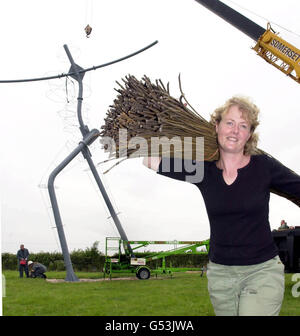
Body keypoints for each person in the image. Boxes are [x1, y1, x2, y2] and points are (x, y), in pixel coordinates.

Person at [143, 96, 300, 316]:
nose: (235, 130)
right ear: (216, 126)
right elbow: (149, 160)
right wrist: (168, 126)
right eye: (229, 122)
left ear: (249, 134)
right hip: (220, 275)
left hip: (261, 271)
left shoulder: (263, 167)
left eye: (243, 126)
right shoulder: (203, 171)